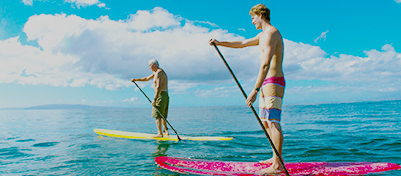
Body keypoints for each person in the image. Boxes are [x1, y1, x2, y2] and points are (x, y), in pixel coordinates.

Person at [209, 4, 285, 174]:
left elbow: (265, 64)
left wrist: (254, 90)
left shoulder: (271, 33)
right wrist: (220, 43)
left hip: (273, 81)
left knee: (273, 122)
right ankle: (275, 158)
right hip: (266, 82)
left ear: (260, 15)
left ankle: (278, 165)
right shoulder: (262, 35)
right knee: (266, 122)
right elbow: (242, 43)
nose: (252, 21)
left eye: (252, 17)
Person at [131, 59, 169, 138]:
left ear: (154, 65)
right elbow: (146, 78)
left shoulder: (158, 73)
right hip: (164, 95)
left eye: (149, 65)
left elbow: (158, 86)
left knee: (157, 115)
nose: (149, 67)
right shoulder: (157, 72)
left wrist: (154, 99)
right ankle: (166, 131)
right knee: (162, 115)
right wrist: (135, 79)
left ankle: (160, 134)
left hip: (160, 95)